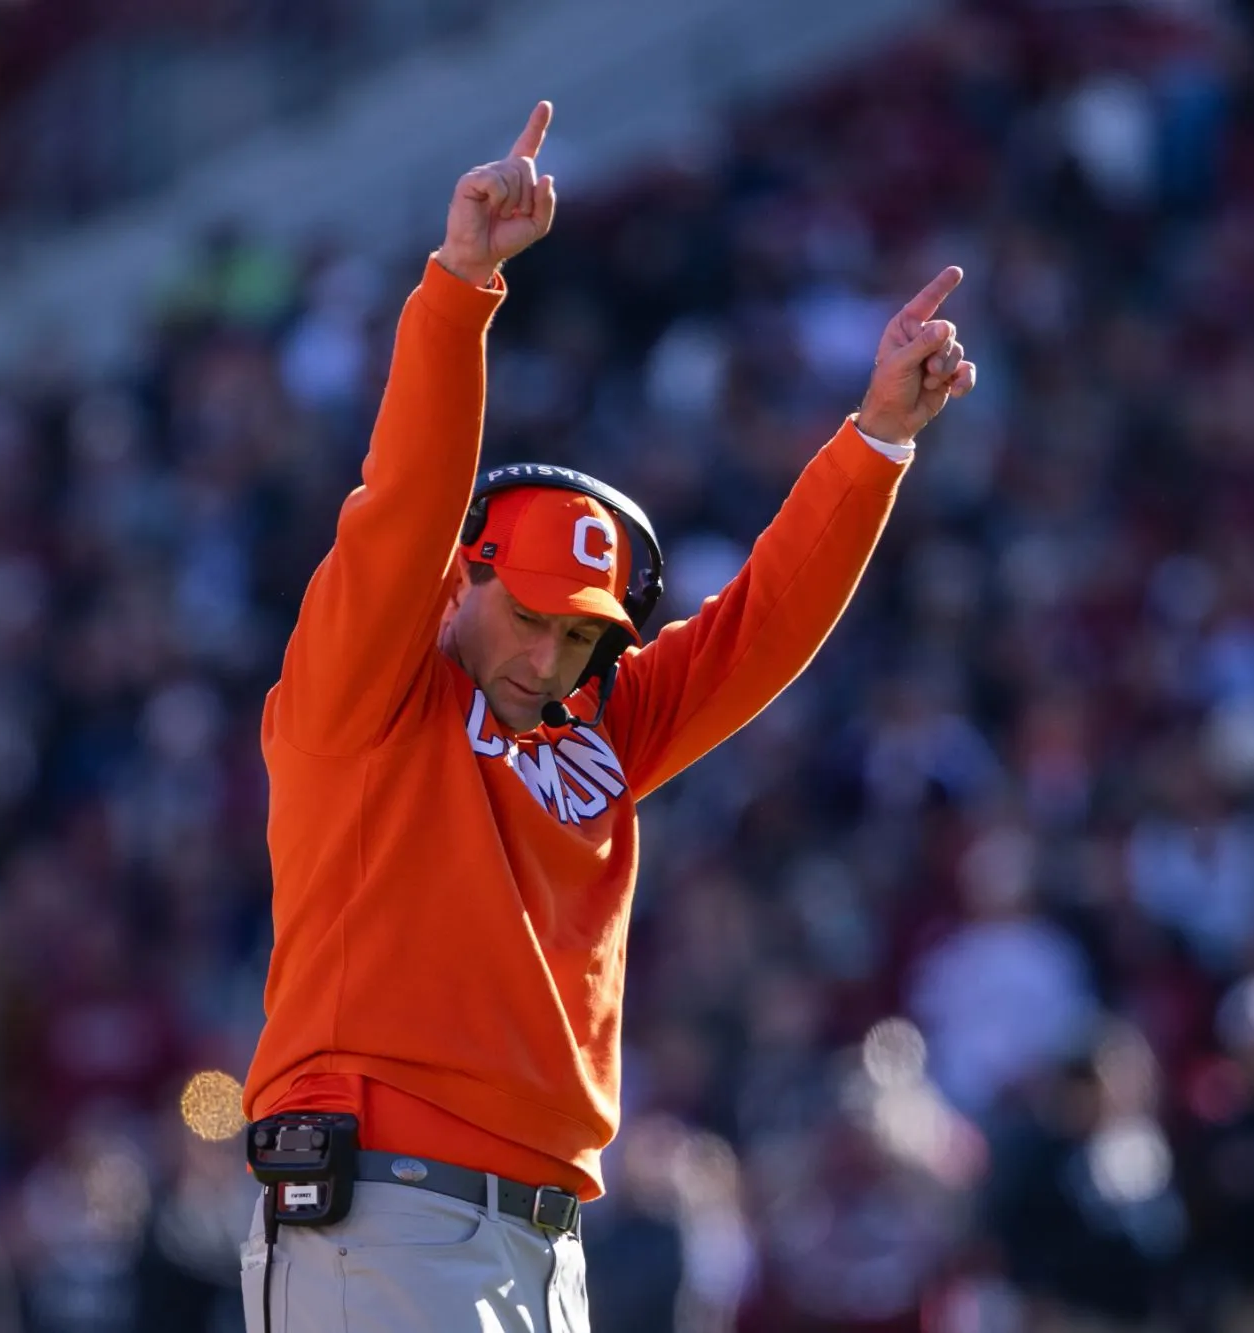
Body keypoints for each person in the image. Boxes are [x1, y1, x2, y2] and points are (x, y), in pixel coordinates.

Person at [238, 99, 977, 1332]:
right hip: (385, 1218)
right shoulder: (363, 692)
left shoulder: (593, 727)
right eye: (529, 615)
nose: (550, 653)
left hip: (542, 1236)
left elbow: (755, 630)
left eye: (582, 632)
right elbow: (404, 504)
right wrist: (460, 288)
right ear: (463, 577)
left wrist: (877, 444)